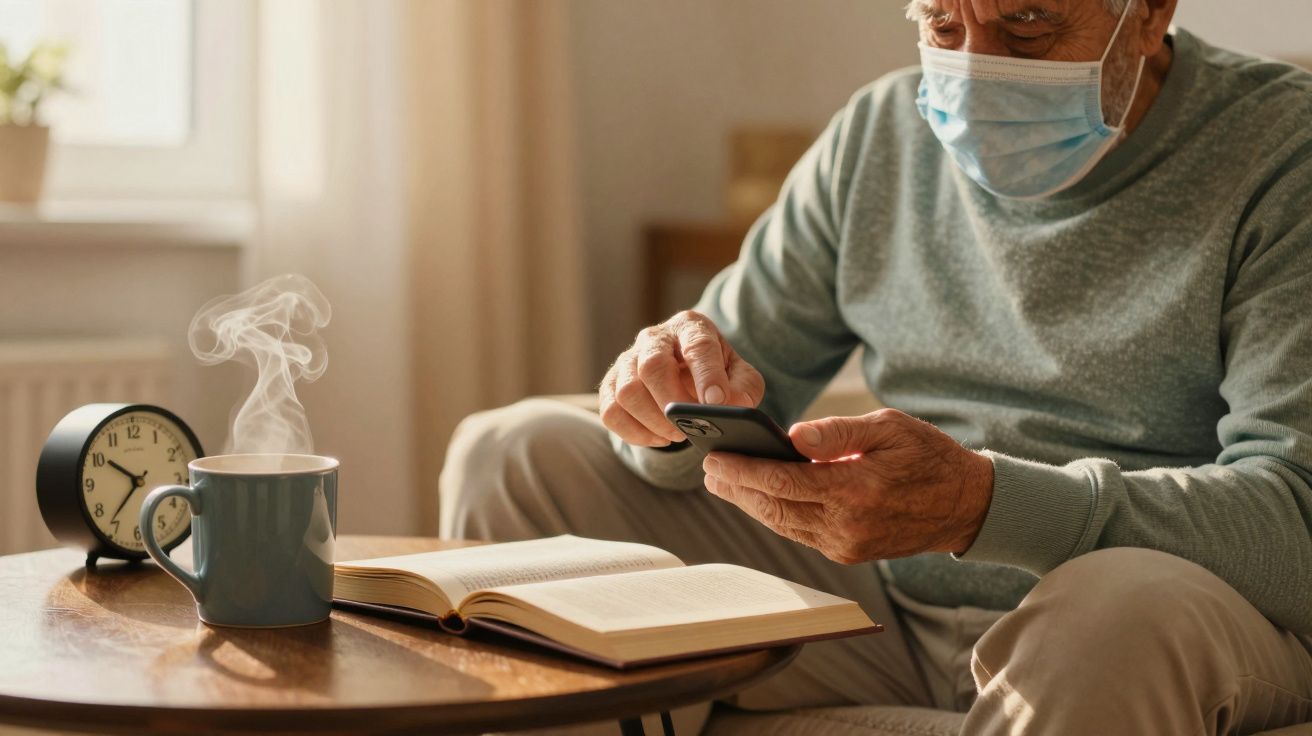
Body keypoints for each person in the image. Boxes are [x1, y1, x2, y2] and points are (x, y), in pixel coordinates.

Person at [440, 0, 1312, 733]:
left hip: (1162, 619)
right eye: (942, 24)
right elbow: (708, 405)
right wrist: (663, 402)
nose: (976, 73)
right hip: (886, 614)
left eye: (1030, 26)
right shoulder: (882, 134)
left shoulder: (1283, 149)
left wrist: (980, 503)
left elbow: (1297, 516)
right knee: (512, 454)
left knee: (1110, 614)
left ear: (1152, 10)